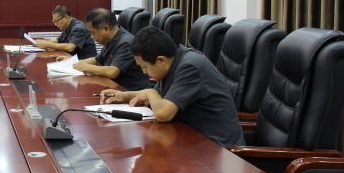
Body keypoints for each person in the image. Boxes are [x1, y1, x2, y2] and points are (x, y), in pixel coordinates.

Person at [99, 26, 245, 147]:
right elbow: (157, 93)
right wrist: (124, 95)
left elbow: (163, 113)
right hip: (194, 140)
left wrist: (150, 92)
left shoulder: (190, 66)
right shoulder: (175, 61)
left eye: (144, 67)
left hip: (217, 149)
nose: (144, 72)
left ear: (161, 60)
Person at [73, 8, 150, 90]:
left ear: (105, 28)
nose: (92, 37)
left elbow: (112, 72)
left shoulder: (126, 42)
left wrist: (87, 67)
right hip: (113, 86)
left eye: (93, 33)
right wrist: (74, 63)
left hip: (128, 91)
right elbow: (98, 60)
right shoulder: (111, 38)